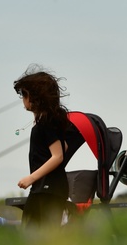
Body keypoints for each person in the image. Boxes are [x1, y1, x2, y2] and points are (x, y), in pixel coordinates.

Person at [13, 66, 82, 228]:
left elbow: (57, 156)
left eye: (24, 94)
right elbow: (63, 147)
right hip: (47, 188)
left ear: (35, 98)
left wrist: (31, 178)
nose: (23, 99)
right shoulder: (50, 122)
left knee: (35, 233)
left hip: (46, 189)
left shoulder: (45, 124)